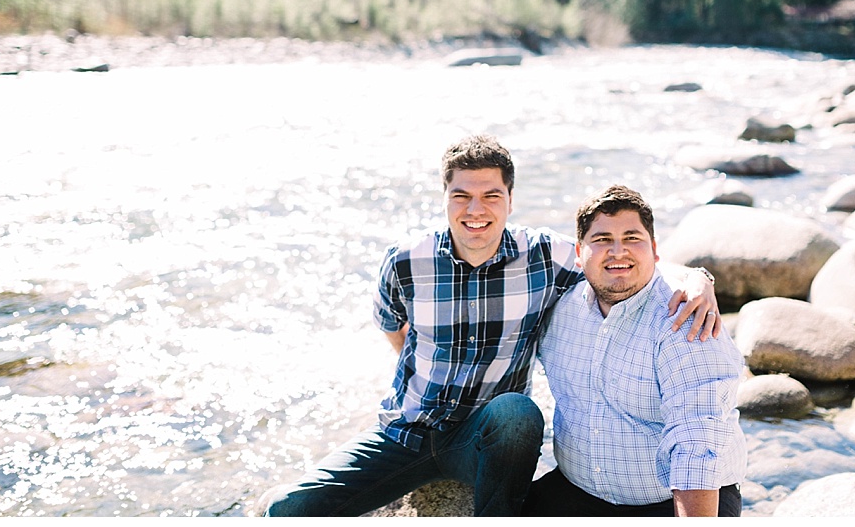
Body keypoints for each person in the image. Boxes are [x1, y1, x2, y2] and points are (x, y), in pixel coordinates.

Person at [261, 135, 722, 517]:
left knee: (517, 412)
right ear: (445, 197)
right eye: (461, 195)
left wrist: (698, 280)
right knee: (286, 510)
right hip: (407, 434)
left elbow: (621, 260)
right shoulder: (406, 261)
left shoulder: (546, 256)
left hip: (485, 439)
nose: (474, 209)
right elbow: (392, 328)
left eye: (490, 196)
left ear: (510, 200)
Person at [523, 184, 746, 517]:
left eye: (632, 238)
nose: (618, 252)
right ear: (578, 254)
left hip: (669, 503)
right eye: (601, 240)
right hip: (576, 492)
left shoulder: (686, 316)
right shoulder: (560, 308)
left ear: (654, 250)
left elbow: (697, 442)